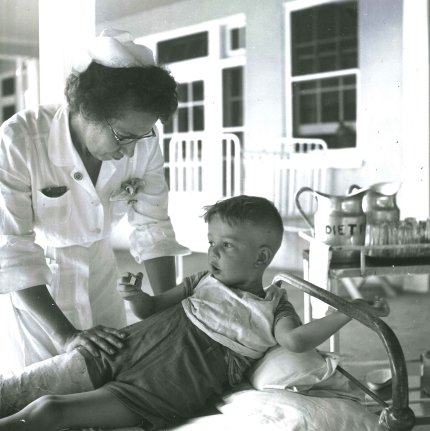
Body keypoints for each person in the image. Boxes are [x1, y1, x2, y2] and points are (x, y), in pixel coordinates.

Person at [0, 195, 389, 431]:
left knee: (50, 412)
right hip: (125, 349)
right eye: (211, 243)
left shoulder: (274, 306)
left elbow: (296, 340)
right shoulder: (202, 279)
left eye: (227, 245)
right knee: (15, 390)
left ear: (262, 257)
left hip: (160, 388)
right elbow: (150, 308)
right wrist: (134, 294)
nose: (213, 252)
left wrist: (347, 310)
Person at [0, 28, 189, 371]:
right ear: (86, 111)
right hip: (40, 295)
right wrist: (65, 334)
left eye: (141, 136)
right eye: (123, 137)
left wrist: (166, 311)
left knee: (108, 378)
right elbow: (12, 248)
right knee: (41, 391)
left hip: (103, 278)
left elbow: (152, 225)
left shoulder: (142, 140)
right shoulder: (19, 140)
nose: (132, 149)